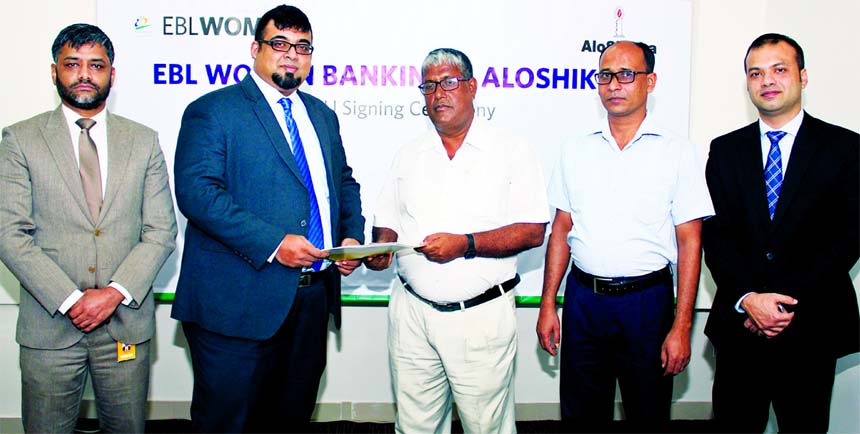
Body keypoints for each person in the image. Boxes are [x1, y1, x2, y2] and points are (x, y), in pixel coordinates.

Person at [170, 4, 364, 433]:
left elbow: (343, 185)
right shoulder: (214, 110)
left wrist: (350, 237)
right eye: (279, 43)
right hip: (235, 304)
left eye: (302, 46)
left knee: (291, 419)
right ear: (255, 48)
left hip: (312, 301)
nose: (291, 54)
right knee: (228, 423)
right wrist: (275, 243)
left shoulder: (322, 116)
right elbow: (197, 194)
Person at [0, 23, 177, 433]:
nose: (84, 74)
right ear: (54, 72)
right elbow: (10, 234)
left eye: (96, 65)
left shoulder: (143, 140)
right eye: (72, 64)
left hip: (124, 324)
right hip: (50, 325)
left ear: (111, 75)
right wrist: (70, 299)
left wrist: (112, 294)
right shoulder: (20, 140)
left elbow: (160, 230)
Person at [364, 48, 549, 434]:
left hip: (479, 317)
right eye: (429, 86)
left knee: (487, 426)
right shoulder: (409, 154)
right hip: (411, 313)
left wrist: (464, 244)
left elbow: (533, 230)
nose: (439, 94)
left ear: (472, 87)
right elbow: (387, 223)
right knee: (414, 425)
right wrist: (377, 251)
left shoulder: (511, 149)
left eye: (449, 82)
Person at [536, 41, 714, 431]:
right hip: (584, 302)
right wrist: (549, 302)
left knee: (647, 413)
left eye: (626, 75)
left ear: (650, 81)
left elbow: (690, 242)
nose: (614, 84)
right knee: (581, 416)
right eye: (605, 75)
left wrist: (681, 326)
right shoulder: (574, 150)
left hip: (647, 305)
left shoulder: (678, 152)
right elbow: (561, 229)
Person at [702, 33, 859, 433]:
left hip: (812, 327)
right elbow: (716, 236)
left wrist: (781, 305)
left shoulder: (845, 148)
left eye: (779, 70)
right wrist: (750, 299)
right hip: (741, 328)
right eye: (756, 73)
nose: (767, 80)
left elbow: (849, 236)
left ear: (803, 77)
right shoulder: (725, 150)